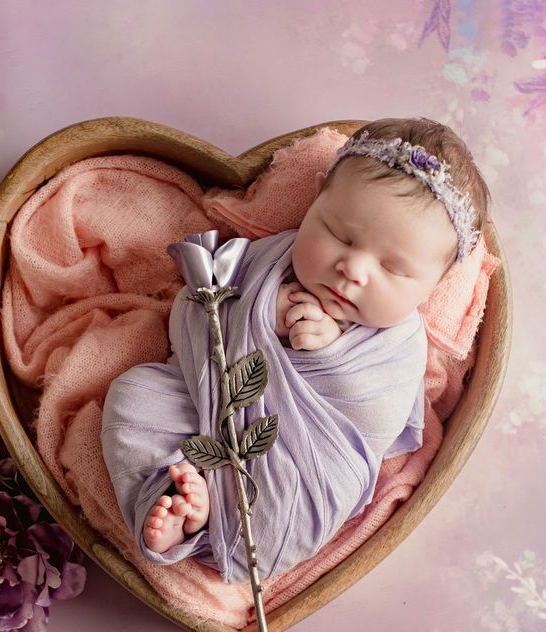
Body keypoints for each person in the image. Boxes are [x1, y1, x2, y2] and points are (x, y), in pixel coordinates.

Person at [101, 117, 492, 582]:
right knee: (135, 398)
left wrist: (325, 355)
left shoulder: (399, 343)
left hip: (302, 461)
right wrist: (256, 311)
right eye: (341, 236)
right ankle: (181, 505)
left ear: (432, 285)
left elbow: (373, 427)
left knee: (314, 488)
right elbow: (189, 313)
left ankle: (213, 515)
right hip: (198, 413)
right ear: (314, 204)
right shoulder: (266, 261)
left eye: (394, 268)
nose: (354, 269)